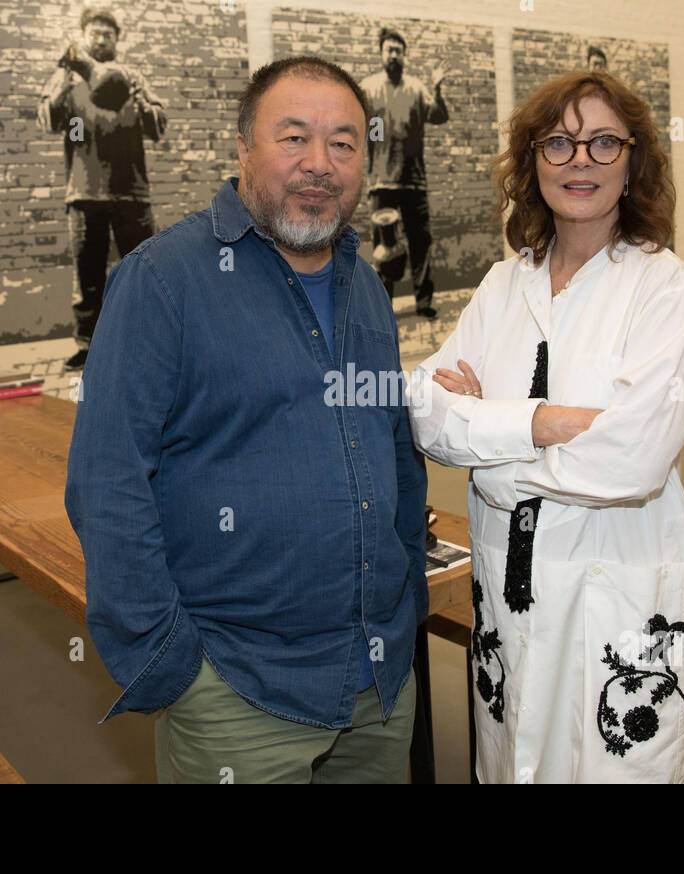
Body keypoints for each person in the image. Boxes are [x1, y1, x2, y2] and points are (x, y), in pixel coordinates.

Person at [64, 56, 429, 784]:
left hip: (380, 680)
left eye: (343, 143)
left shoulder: (364, 283)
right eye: (293, 138)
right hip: (239, 692)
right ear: (242, 147)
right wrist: (172, 664)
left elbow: (393, 448)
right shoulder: (163, 281)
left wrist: (407, 597)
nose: (319, 163)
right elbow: (107, 484)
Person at [407, 69, 684, 783]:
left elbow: (633, 459)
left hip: (613, 589)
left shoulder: (664, 288)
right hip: (508, 593)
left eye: (604, 142)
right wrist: (548, 422)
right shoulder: (502, 285)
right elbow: (425, 409)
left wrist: (489, 438)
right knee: (511, 758)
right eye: (558, 143)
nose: (580, 161)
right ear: (533, 161)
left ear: (633, 162)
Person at [36, 6, 168, 370]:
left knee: (144, 272)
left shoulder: (132, 76)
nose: (101, 39)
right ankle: (88, 347)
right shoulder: (68, 78)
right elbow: (48, 119)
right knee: (88, 277)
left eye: (108, 34)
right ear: (84, 38)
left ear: (116, 40)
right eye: (94, 33)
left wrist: (141, 102)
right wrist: (65, 80)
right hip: (84, 192)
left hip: (131, 193)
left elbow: (158, 126)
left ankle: (150, 344)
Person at [360, 28, 449, 319]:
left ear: (404, 55)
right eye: (389, 50)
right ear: (381, 53)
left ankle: (424, 303)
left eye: (399, 50)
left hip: (414, 182)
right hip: (382, 182)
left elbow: (439, 116)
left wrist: (437, 89)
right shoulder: (369, 89)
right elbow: (359, 125)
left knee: (420, 244)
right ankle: (383, 307)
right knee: (383, 248)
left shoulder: (417, 88)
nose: (394, 55)